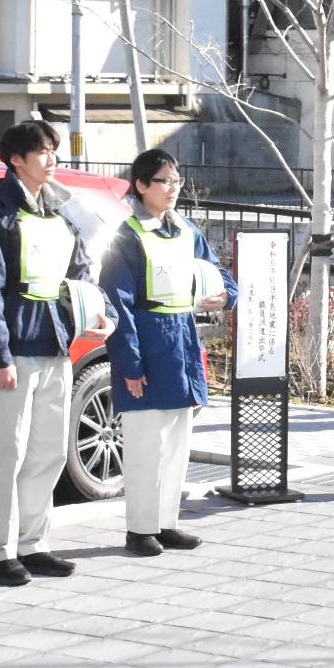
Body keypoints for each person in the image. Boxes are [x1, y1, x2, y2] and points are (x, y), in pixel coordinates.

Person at [0, 120, 113, 587]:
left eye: (53, 150)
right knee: (8, 452)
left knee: (48, 450)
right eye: (42, 152)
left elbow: (81, 274)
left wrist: (98, 312)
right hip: (16, 348)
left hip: (55, 346)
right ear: (15, 160)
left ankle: (35, 544)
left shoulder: (60, 214)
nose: (51, 158)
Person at [101, 149, 235, 557]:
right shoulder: (126, 235)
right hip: (148, 335)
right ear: (141, 186)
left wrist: (226, 296)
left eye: (176, 180)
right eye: (163, 181)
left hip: (183, 338)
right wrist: (130, 362)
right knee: (145, 443)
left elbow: (220, 274)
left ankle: (166, 522)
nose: (172, 188)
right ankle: (140, 529)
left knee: (178, 438)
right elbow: (117, 302)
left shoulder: (185, 230)